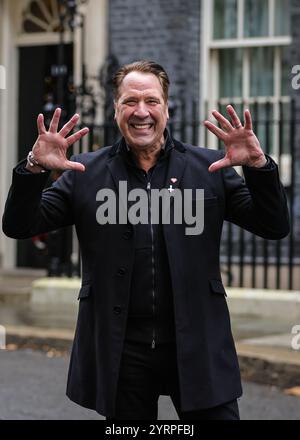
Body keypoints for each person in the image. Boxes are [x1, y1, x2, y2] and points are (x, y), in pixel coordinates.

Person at [2, 60, 290, 420]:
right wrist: (34, 167)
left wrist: (259, 166)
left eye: (151, 101)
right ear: (116, 109)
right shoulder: (85, 174)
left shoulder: (209, 168)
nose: (141, 112)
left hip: (197, 342)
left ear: (166, 108)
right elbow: (18, 226)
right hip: (122, 351)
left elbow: (274, 225)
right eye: (130, 102)